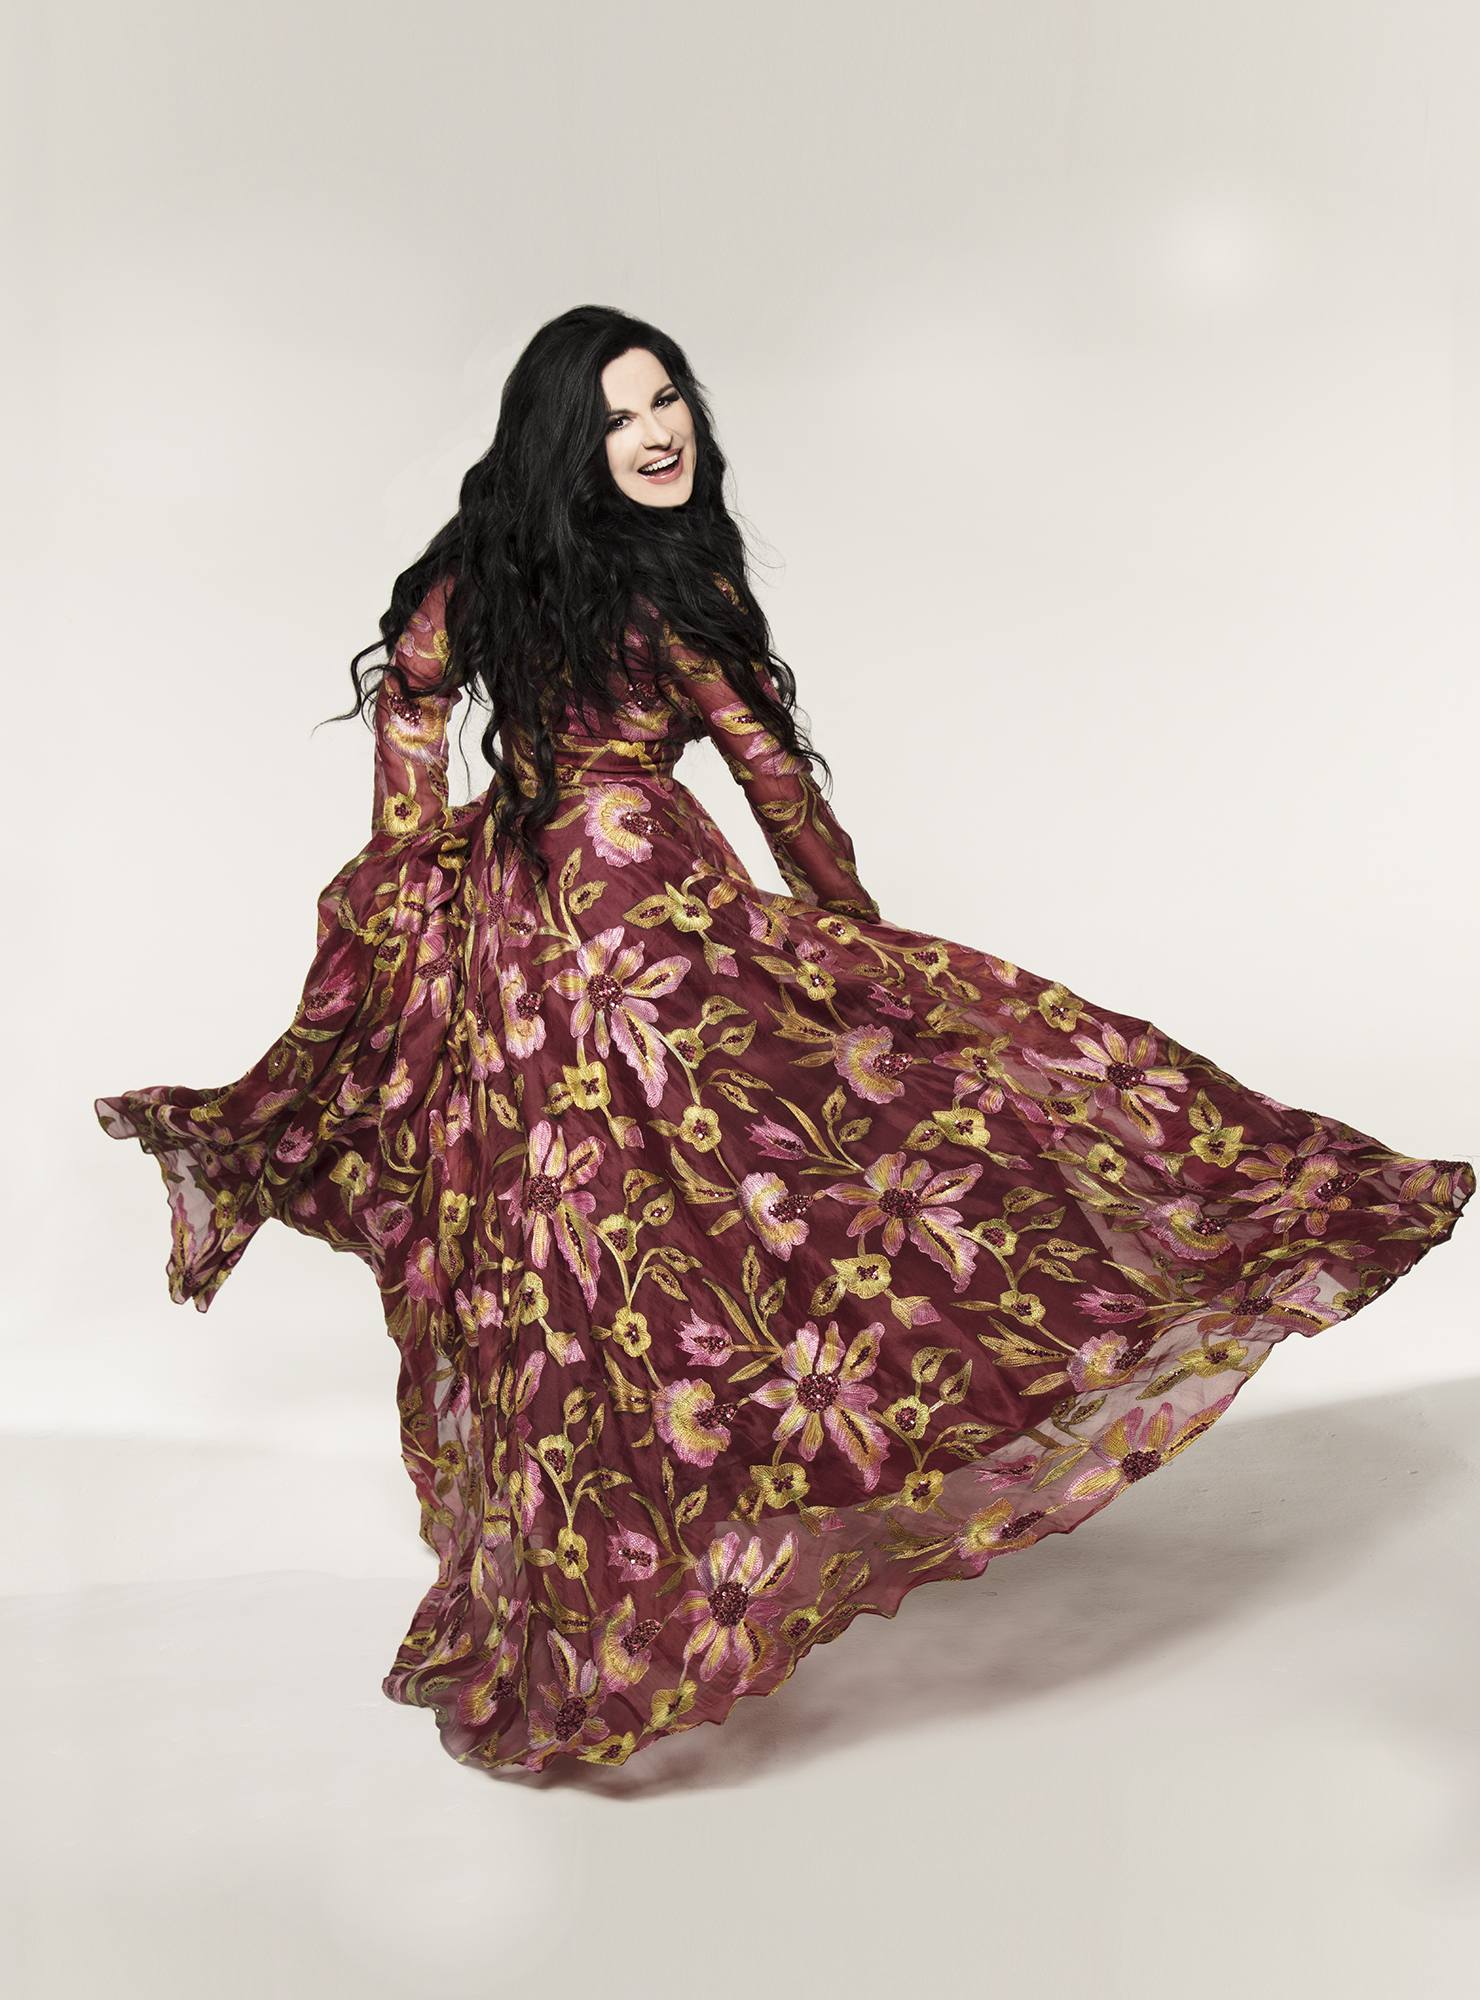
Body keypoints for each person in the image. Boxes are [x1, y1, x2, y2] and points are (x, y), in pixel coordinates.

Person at [98, 305, 1473, 1774]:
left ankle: (635, 1583)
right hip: (626, 917)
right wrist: (853, 939)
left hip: (526, 933)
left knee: (586, 1244)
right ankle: (691, 1547)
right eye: (621, 415)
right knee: (710, 1216)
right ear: (569, 439)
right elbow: (770, 783)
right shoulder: (652, 583)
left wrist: (418, 859)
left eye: (668, 398)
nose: (658, 431)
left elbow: (420, 702)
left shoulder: (499, 569)